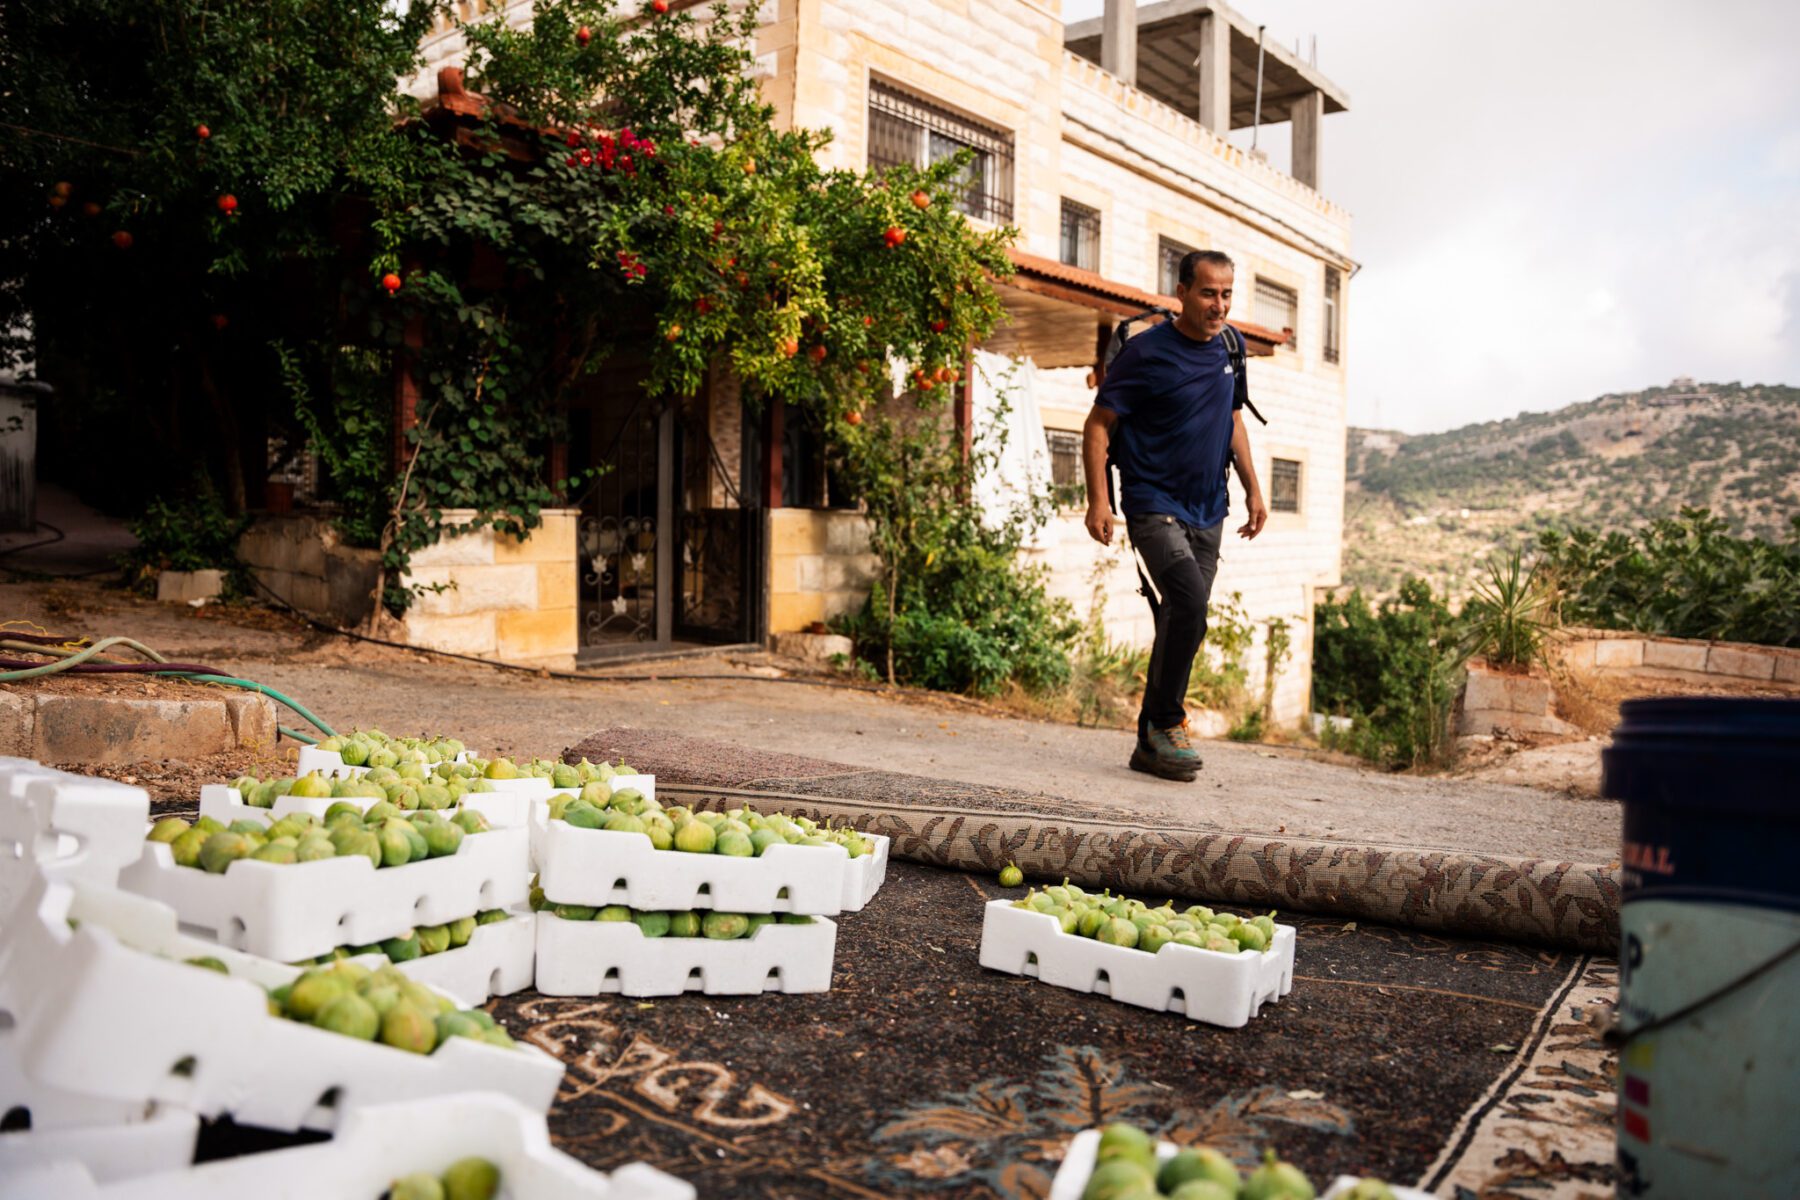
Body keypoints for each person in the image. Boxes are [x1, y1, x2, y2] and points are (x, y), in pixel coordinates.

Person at [1080, 250, 1267, 781]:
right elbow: (1098, 427)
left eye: (1227, 293)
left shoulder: (1231, 347)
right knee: (1187, 600)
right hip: (1152, 502)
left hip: (1210, 506)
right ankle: (1168, 721)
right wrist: (1099, 500)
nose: (1220, 304)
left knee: (1181, 617)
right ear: (1182, 291)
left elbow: (1233, 423)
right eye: (1209, 292)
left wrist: (1254, 490)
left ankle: (1150, 742)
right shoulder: (1146, 354)